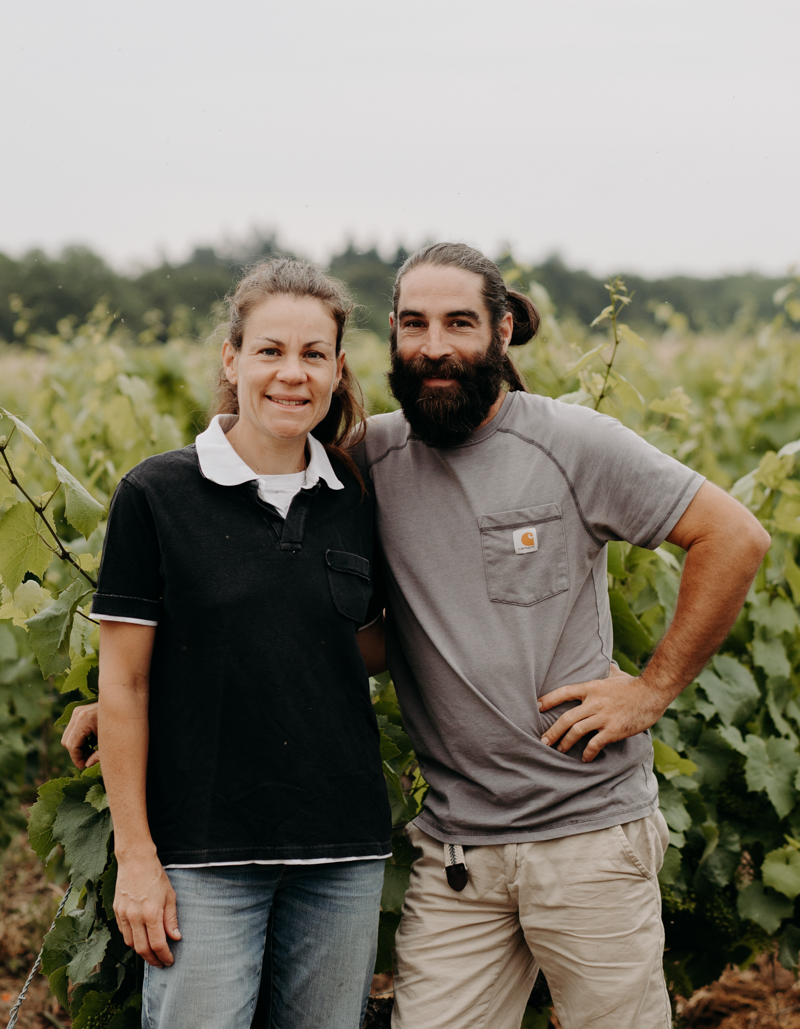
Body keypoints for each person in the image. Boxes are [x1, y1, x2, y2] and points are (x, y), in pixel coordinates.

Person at [67, 243, 771, 1029]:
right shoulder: (369, 463)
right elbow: (305, 619)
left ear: (502, 333)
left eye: (459, 323)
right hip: (457, 849)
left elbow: (734, 536)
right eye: (414, 324)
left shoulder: (568, 445)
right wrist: (144, 691)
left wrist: (653, 689)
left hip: (587, 836)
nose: (435, 346)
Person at [71, 258, 392, 1029]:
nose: (292, 374)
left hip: (340, 850)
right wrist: (137, 860)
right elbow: (127, 684)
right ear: (232, 359)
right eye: (270, 351)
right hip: (204, 850)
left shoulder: (355, 497)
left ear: (338, 368)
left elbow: (366, 645)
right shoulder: (157, 495)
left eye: (314, 355)